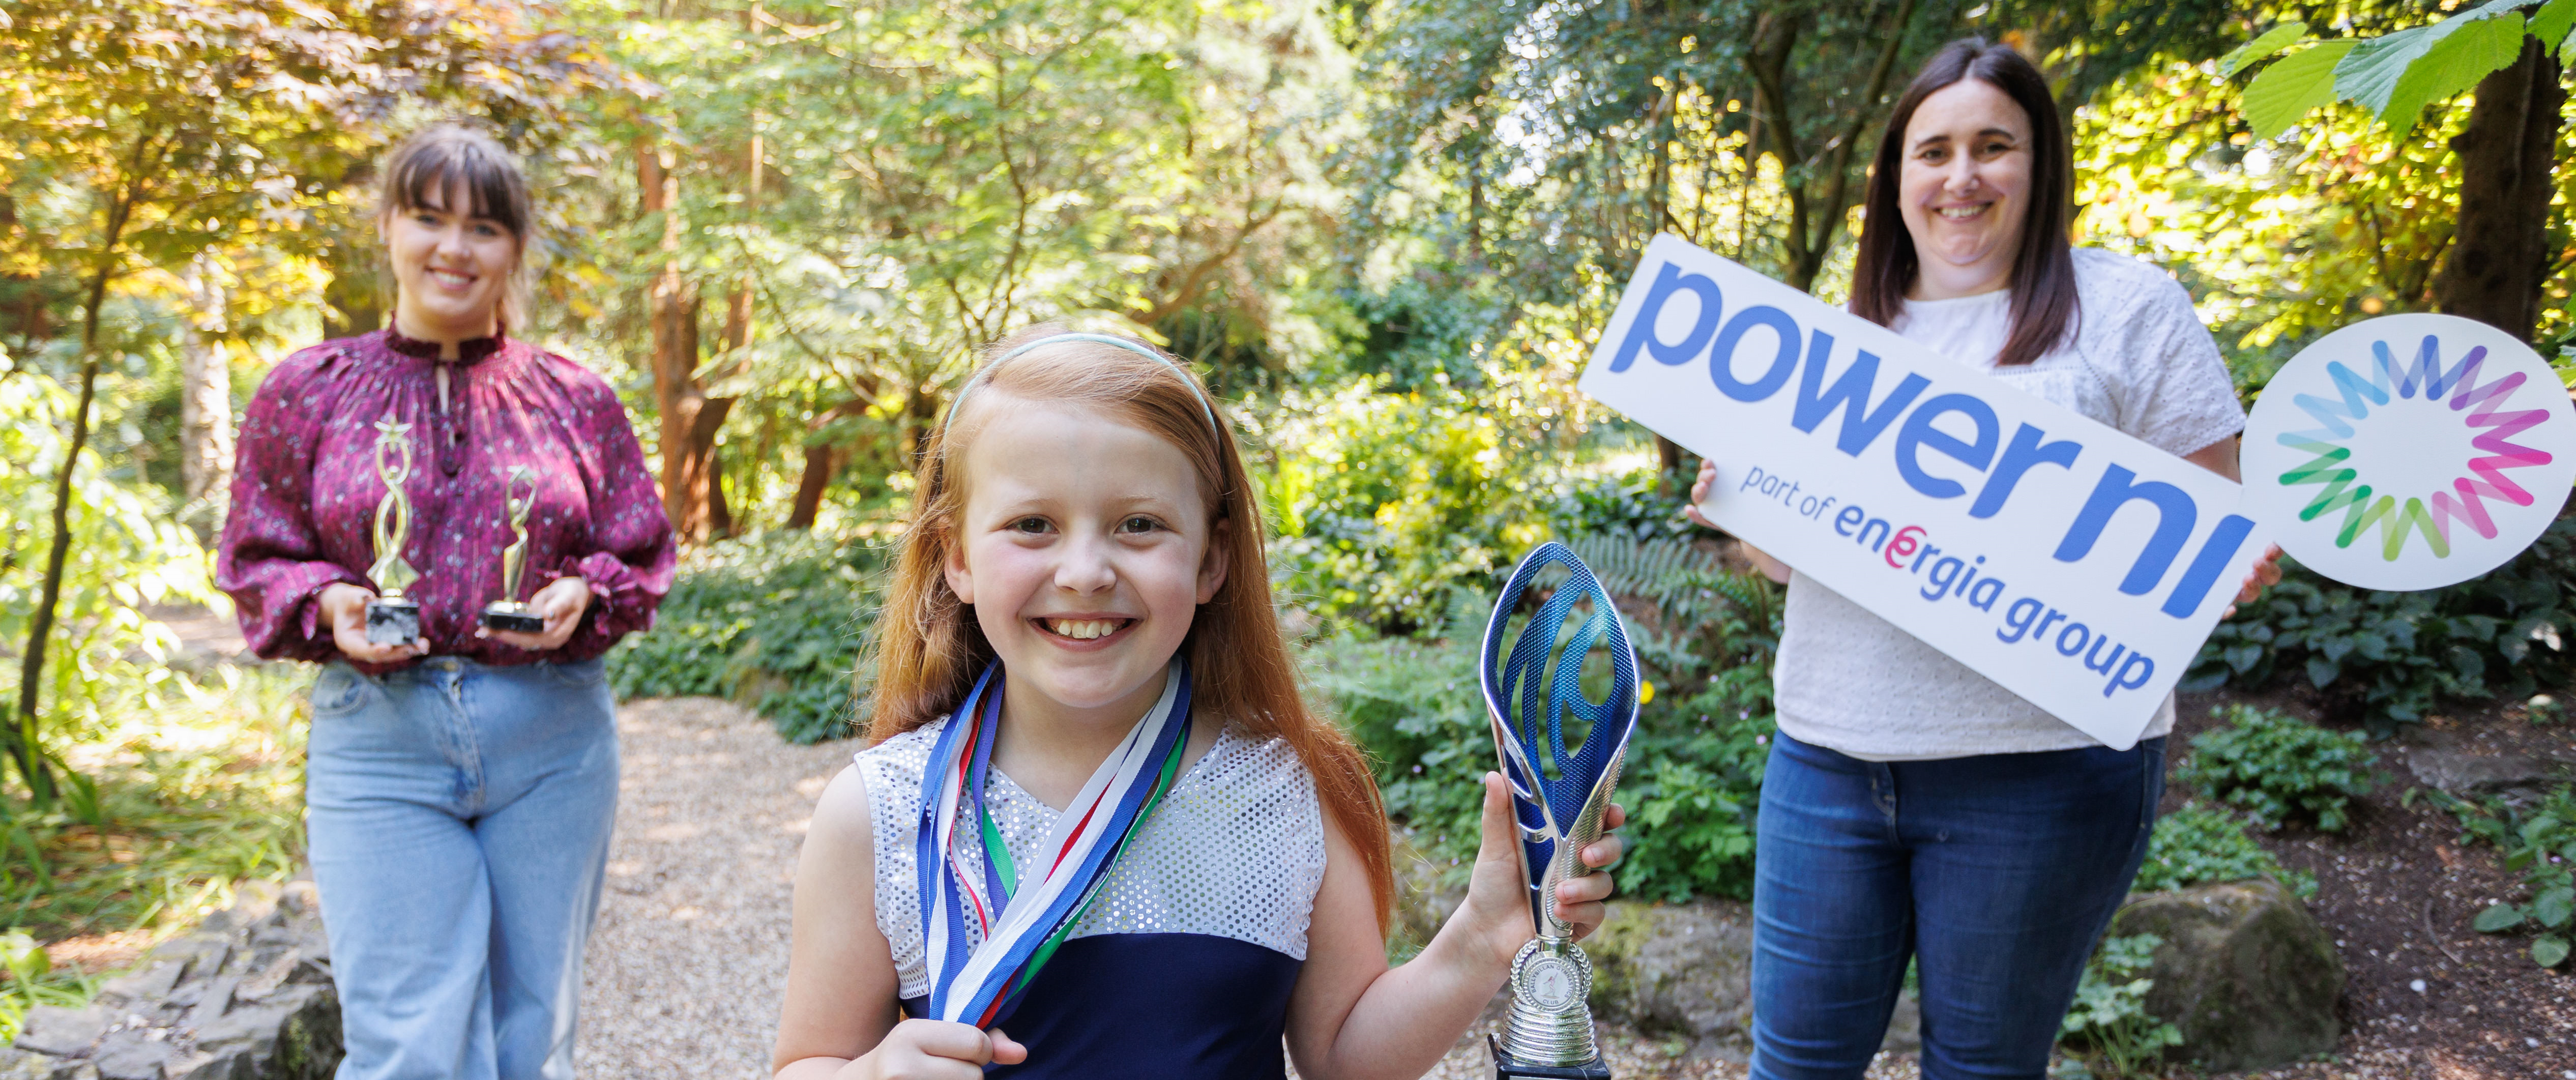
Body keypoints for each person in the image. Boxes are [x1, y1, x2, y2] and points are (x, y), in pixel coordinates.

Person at [772, 328, 1627, 1079]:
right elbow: (807, 1062)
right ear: (954, 556)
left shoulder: (1289, 786)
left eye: (1139, 525)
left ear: (1213, 559)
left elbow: (1345, 1059)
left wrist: (1483, 936)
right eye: (1032, 525)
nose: (1085, 571)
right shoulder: (879, 813)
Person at [1681, 39, 2282, 1080]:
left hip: (2044, 774)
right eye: (1935, 151)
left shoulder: (2129, 309)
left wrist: (2224, 567)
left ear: (2040, 163)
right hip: (1830, 756)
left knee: (1985, 1070)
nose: (1962, 177)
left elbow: (2210, 522)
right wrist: (1748, 512)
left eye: (1993, 146)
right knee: (1794, 1067)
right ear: (1897, 178)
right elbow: (1792, 564)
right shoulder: (1837, 334)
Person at [215, 124, 675, 1080]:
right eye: (429, 218)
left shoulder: (574, 398)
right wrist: (329, 602)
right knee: (406, 1048)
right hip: (378, 742)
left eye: (484, 228)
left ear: (515, 249)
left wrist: (582, 591)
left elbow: (640, 548)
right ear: (388, 227)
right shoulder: (308, 391)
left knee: (531, 1039)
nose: (454, 249)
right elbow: (257, 552)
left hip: (552, 739)